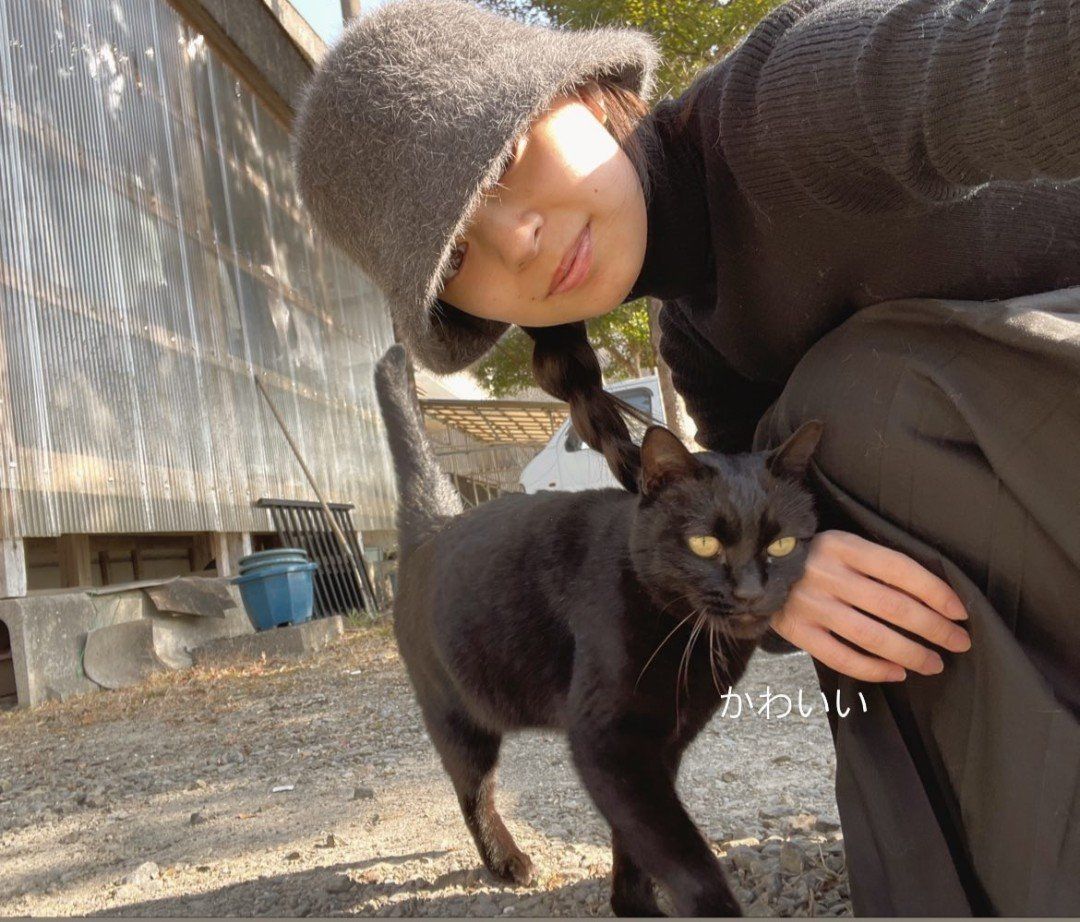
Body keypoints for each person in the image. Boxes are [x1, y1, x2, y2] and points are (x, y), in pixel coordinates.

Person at [293, 0, 1080, 913]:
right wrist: (800, 572)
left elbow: (1020, 56)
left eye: (500, 160)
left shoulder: (781, 107)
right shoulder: (700, 343)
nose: (516, 240)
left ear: (582, 93)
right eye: (459, 253)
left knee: (842, 410)